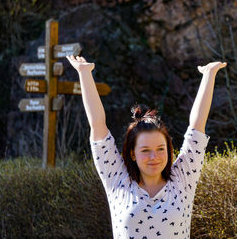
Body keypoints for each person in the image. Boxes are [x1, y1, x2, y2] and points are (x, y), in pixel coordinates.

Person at [66, 55, 227, 239]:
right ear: (132, 154)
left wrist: (209, 75)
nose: (154, 156)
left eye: (160, 149)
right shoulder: (118, 181)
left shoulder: (182, 181)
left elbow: (197, 127)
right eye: (145, 150)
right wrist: (84, 73)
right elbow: (97, 125)